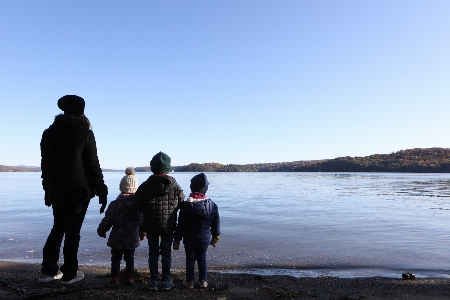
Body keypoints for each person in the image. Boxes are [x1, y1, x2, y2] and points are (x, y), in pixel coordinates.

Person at [39, 95, 108, 284]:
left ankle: (48, 271)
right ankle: (70, 273)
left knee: (58, 227)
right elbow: (92, 165)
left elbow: (46, 166)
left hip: (56, 190)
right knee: (72, 231)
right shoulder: (85, 133)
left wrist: (47, 190)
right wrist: (101, 188)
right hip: (79, 191)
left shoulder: (48, 133)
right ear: (81, 111)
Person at [133, 152, 184, 291]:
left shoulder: (145, 185)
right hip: (168, 226)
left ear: (152, 167)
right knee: (166, 252)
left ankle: (154, 280)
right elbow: (181, 203)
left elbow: (136, 205)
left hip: (151, 226)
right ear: (168, 168)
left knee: (153, 253)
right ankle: (166, 280)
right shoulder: (174, 185)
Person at [97, 167, 145, 286]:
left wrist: (101, 230)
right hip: (132, 237)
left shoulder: (115, 203)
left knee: (116, 258)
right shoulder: (138, 205)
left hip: (116, 237)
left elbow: (108, 219)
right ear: (136, 189)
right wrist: (143, 233)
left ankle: (115, 278)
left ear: (121, 187)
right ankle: (129, 277)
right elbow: (142, 221)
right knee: (130, 257)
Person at [173, 173, 220, 289]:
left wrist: (177, 239)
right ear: (205, 188)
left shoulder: (186, 205)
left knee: (190, 259)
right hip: (204, 239)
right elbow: (216, 223)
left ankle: (189, 281)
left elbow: (181, 225)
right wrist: (216, 236)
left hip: (189, 239)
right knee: (202, 258)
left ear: (192, 187)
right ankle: (203, 281)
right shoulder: (212, 205)